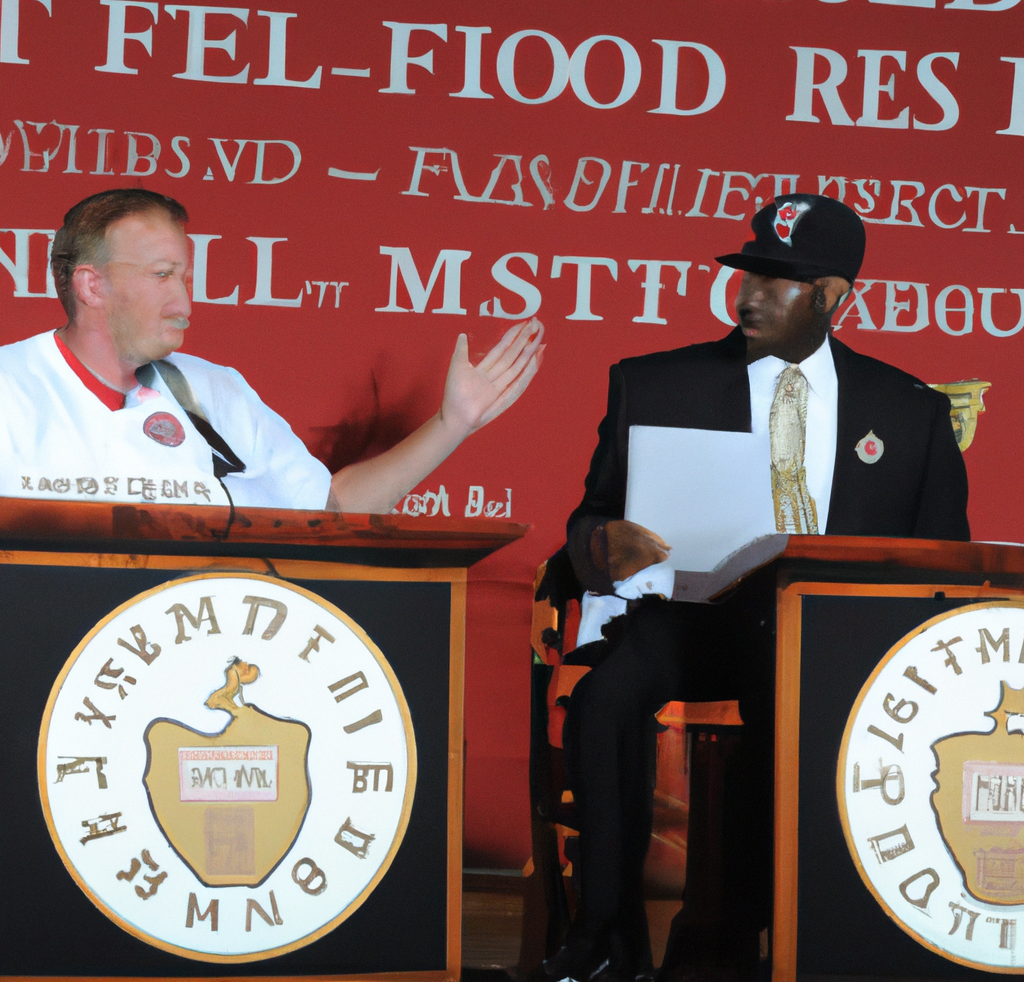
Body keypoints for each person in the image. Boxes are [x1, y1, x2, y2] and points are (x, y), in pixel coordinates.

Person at [549, 195, 969, 982]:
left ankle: (746, 934)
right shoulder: (654, 383)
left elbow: (943, 563)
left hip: (830, 642)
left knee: (791, 705)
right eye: (748, 272)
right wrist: (602, 547)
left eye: (779, 280)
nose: (748, 294)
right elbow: (589, 524)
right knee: (606, 698)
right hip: (690, 619)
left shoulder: (910, 413)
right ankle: (602, 936)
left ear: (836, 296)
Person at [0, 189, 544, 512]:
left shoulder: (216, 390)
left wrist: (452, 424)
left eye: (185, 277)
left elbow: (328, 510)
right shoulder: (12, 389)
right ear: (92, 286)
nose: (184, 301)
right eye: (162, 276)